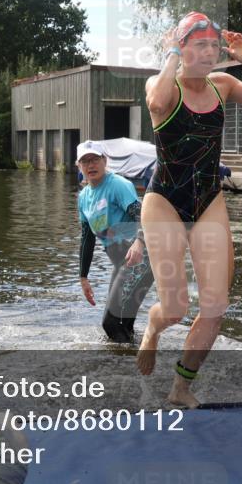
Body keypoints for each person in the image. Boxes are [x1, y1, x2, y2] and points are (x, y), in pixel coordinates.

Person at [138, 12, 242, 407]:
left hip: (208, 200)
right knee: (174, 309)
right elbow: (156, 102)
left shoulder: (223, 85)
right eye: (199, 45)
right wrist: (172, 50)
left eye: (213, 46)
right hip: (165, 201)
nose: (208, 53)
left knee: (215, 305)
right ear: (182, 47)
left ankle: (180, 386)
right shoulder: (161, 84)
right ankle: (153, 329)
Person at [76, 140, 155, 343]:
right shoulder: (84, 197)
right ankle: (131, 362)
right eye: (85, 161)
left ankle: (131, 365)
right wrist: (83, 277)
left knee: (110, 323)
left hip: (140, 258)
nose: (91, 165)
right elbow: (87, 238)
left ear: (105, 160)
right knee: (121, 323)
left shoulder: (118, 185)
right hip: (121, 262)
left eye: (95, 159)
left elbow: (141, 216)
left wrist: (139, 242)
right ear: (79, 166)